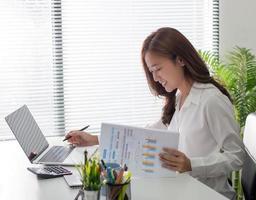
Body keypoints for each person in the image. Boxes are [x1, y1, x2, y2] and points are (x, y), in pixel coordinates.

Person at [66, 27, 245, 199]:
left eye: (157, 69)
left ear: (181, 60)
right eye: (151, 71)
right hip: (181, 189)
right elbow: (145, 134)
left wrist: (192, 165)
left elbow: (236, 156)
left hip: (206, 194)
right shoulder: (179, 98)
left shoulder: (211, 100)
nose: (155, 78)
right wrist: (94, 139)